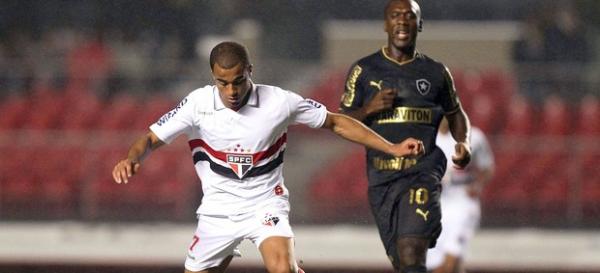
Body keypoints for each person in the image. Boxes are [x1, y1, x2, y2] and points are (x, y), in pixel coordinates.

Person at [112, 41, 425, 273]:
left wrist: (392, 147)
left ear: (250, 71)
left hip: (265, 203)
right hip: (218, 209)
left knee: (282, 269)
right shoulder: (197, 104)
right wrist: (132, 158)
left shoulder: (279, 102)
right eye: (223, 83)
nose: (231, 90)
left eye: (238, 80)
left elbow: (336, 121)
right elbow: (150, 138)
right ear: (213, 77)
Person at [338, 1, 472, 272]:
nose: (402, 21)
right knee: (403, 261)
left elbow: (456, 113)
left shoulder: (435, 72)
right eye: (395, 16)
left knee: (412, 253)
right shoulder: (364, 71)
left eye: (409, 16)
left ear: (419, 24)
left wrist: (463, 143)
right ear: (386, 24)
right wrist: (369, 108)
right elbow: (340, 123)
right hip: (382, 178)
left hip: (422, 173)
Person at [426, 118, 494, 273]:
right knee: (444, 265)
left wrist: (477, 185)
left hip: (462, 203)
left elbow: (487, 167)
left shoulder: (472, 136)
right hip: (436, 204)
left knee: (450, 261)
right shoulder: (425, 138)